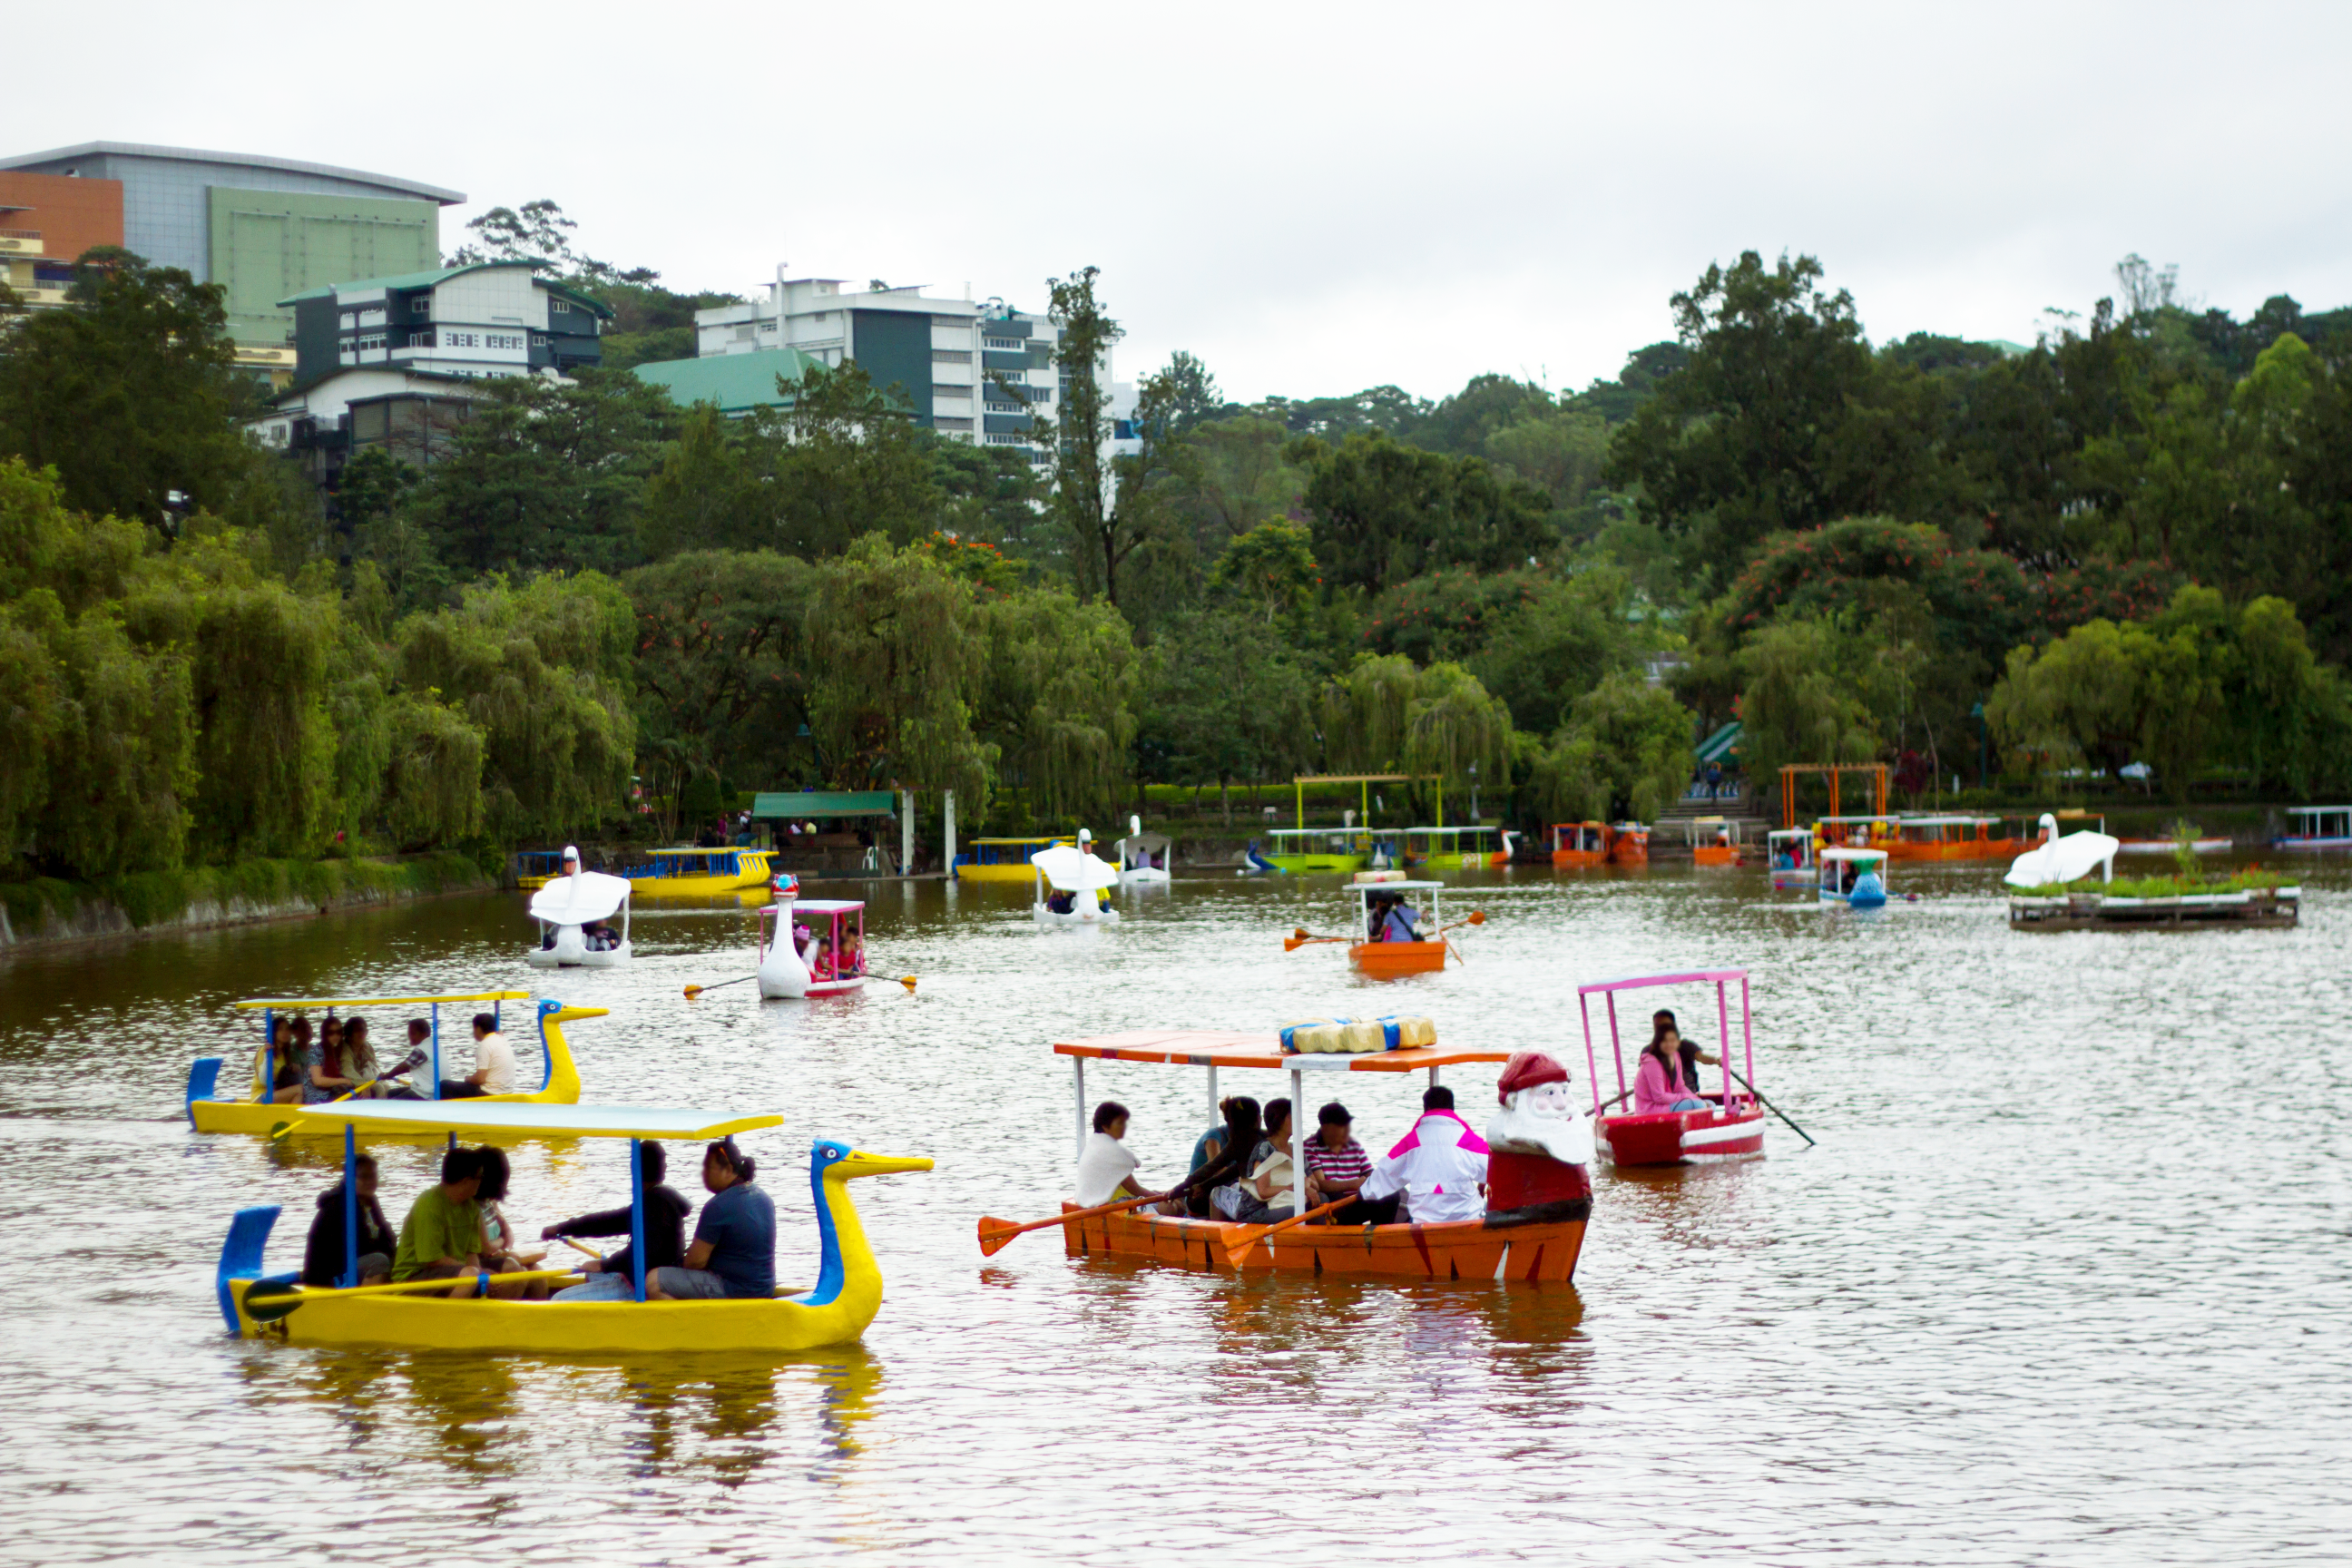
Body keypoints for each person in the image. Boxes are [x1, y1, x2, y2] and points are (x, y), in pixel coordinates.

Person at [544, 1142, 694, 1301]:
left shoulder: (655, 1205)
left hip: (640, 1288)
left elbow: (644, 1251)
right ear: (663, 1169)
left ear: (634, 1169)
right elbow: (607, 1222)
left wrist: (604, 1265)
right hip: (636, 1277)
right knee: (591, 1273)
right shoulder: (656, 1199)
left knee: (558, 1300)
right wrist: (562, 1228)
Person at [651, 1138, 776, 1300]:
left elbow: (695, 1263)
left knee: (653, 1281)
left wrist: (677, 1263)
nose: (704, 1174)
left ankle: (689, 1325)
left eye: (709, 1168)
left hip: (733, 1288)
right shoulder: (764, 1198)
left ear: (728, 1169)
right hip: (764, 1287)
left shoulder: (718, 1206)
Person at [1361, 1085, 1489, 1224]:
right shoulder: (1468, 1140)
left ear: (1426, 1109)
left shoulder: (1411, 1141)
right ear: (1452, 1109)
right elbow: (1496, 1168)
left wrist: (1362, 1194)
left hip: (1423, 1224)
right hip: (1466, 1219)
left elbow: (1382, 1177)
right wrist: (1482, 1187)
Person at [392, 1146, 493, 1298]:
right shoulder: (429, 1205)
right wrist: (475, 1272)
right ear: (466, 1181)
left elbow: (471, 1253)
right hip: (413, 1278)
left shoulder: (471, 1207)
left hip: (454, 1271)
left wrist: (484, 1276)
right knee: (471, 1275)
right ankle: (448, 1320)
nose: (482, 1181)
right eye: (480, 1176)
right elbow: (432, 1259)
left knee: (511, 1268)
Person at [1159, 1097, 1262, 1218]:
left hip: (1254, 1203)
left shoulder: (1238, 1141)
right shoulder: (1266, 1138)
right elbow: (1227, 1170)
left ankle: (1218, 1233)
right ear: (1259, 1119)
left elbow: (1216, 1168)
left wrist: (1180, 1188)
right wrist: (1200, 1187)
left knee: (1218, 1192)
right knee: (1226, 1188)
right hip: (1200, 1194)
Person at [301, 1153, 396, 1287]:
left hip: (352, 1265)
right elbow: (359, 1246)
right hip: (329, 1276)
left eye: (373, 1176)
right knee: (379, 1261)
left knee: (394, 1256)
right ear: (348, 1179)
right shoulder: (338, 1206)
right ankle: (367, 1304)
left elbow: (386, 1237)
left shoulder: (370, 1202)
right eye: (363, 1177)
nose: (370, 1181)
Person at [473, 1147, 552, 1298]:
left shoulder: (491, 1203)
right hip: (477, 1260)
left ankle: (534, 1318)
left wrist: (506, 1249)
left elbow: (508, 1232)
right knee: (515, 1270)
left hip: (495, 1256)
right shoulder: (473, 1207)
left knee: (537, 1272)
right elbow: (486, 1248)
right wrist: (501, 1243)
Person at [1215, 1098, 1298, 1224]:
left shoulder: (1289, 1147)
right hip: (1257, 1205)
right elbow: (1262, 1190)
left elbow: (1222, 1170)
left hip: (1270, 1196)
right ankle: (1220, 1233)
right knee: (1217, 1191)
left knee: (1219, 1190)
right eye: (1292, 1117)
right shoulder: (1261, 1146)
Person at [1303, 1102, 1387, 1222]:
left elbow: (1370, 1174)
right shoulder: (1310, 1147)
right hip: (1335, 1204)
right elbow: (1320, 1185)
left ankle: (1378, 1236)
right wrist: (1353, 1184)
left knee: (1391, 1196)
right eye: (1341, 1126)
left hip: (1359, 1199)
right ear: (1326, 1128)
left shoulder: (1354, 1145)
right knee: (1333, 1197)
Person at [1074, 1102, 1163, 1208]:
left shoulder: (1095, 1144)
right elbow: (1134, 1188)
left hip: (1095, 1200)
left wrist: (1160, 1195)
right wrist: (1161, 1198)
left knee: (1174, 1198)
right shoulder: (1109, 1150)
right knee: (1169, 1206)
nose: (1124, 1128)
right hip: (1109, 1205)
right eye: (1119, 1123)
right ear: (1105, 1126)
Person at [1634, 1012, 1713, 1113]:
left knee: (1709, 1105)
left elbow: (1680, 1086)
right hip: (1650, 1109)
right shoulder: (1652, 1061)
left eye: (1673, 1040)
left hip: (1666, 1104)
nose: (1669, 1044)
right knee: (1697, 1105)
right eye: (1665, 1041)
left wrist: (1694, 1098)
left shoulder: (1675, 1055)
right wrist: (1689, 1098)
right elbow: (1659, 1097)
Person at [439, 1012, 513, 1100]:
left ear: (478, 1029)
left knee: (444, 1085)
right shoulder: (502, 1040)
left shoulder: (485, 1044)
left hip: (490, 1093)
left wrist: (468, 1079)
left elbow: (480, 1079)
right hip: (507, 1090)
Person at [302, 1017, 357, 1104]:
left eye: (338, 1032)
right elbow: (317, 1081)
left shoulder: (336, 1050)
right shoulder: (316, 1051)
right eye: (331, 1033)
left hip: (333, 1092)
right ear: (324, 1034)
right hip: (316, 1097)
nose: (335, 1036)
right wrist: (344, 1081)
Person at [268, 1017, 313, 1105]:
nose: (308, 1032)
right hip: (292, 1088)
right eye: (303, 1029)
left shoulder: (314, 1049)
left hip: (306, 1086)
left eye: (309, 1027)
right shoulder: (292, 1052)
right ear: (295, 1033)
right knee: (303, 1089)